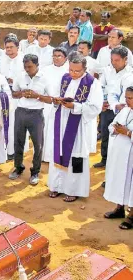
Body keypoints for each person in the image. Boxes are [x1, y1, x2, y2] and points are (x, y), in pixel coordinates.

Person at [48, 52, 102, 202]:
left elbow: (95, 107)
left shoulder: (92, 83)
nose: (73, 73)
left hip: (77, 127)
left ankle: (74, 190)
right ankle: (57, 186)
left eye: (77, 71)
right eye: (71, 70)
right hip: (61, 121)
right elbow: (54, 95)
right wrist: (57, 100)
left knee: (76, 157)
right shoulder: (64, 78)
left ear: (85, 69)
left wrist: (75, 106)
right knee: (59, 152)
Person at [9, 54, 53, 185]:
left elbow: (50, 99)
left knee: (38, 144)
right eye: (25, 66)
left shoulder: (45, 79)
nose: (27, 69)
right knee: (18, 142)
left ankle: (35, 172)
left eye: (30, 66)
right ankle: (18, 168)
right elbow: (14, 94)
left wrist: (36, 96)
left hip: (36, 114)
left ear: (37, 65)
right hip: (21, 112)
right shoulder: (20, 76)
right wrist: (22, 93)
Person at [95, 47, 133, 169]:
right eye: (112, 60)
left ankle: (117, 164)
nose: (114, 63)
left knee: (120, 138)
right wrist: (108, 103)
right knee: (106, 134)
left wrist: (123, 105)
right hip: (108, 108)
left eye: (117, 60)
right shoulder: (107, 71)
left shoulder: (130, 74)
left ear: (125, 59)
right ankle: (105, 159)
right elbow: (101, 87)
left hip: (126, 111)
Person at [103, 87, 133, 230]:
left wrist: (128, 133)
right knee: (120, 179)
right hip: (120, 153)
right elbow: (111, 126)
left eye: (131, 98)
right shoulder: (125, 110)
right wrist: (115, 129)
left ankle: (132, 215)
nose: (127, 101)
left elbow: (128, 132)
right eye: (126, 98)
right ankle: (119, 208)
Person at [0, 36, 27, 159]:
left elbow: (27, 77)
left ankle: (17, 151)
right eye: (7, 47)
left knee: (17, 124)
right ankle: (5, 150)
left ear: (17, 47)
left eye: (11, 47)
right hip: (4, 96)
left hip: (19, 96)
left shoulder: (24, 60)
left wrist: (14, 81)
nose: (9, 49)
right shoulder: (1, 59)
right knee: (5, 122)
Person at [41, 47, 70, 162]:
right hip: (47, 104)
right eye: (54, 55)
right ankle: (44, 156)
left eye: (59, 56)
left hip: (62, 105)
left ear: (65, 58)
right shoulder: (45, 70)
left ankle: (56, 156)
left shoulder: (69, 71)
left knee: (58, 131)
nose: (56, 58)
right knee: (44, 130)